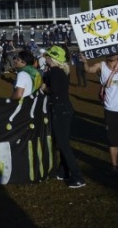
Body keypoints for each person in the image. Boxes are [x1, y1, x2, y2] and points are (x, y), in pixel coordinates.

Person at [42, 45, 86, 188]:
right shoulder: (61, 71)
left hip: (60, 110)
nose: (46, 58)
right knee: (63, 142)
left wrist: (44, 88)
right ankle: (63, 171)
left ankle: (78, 177)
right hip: (65, 109)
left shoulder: (55, 72)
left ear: (53, 58)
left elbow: (53, 91)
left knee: (63, 145)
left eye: (48, 56)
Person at [87, 54, 118, 176]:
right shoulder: (101, 65)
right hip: (111, 110)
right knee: (112, 140)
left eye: (115, 52)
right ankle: (114, 166)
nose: (113, 55)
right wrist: (84, 61)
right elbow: (88, 70)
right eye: (110, 52)